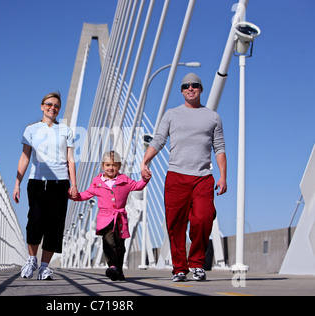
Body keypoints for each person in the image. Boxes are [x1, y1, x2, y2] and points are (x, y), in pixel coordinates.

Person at [141, 73, 227, 282]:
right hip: (176, 176)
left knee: (204, 218)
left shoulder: (213, 117)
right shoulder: (171, 114)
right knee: (175, 224)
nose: (191, 88)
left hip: (202, 177)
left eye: (195, 85)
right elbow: (159, 139)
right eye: (186, 86)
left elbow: (220, 148)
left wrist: (223, 176)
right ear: (181, 91)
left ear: (201, 89)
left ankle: (197, 264)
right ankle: (180, 268)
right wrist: (145, 162)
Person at [13, 92, 78, 280]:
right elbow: (25, 157)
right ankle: (32, 259)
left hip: (60, 183)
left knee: (55, 226)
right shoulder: (31, 130)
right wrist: (17, 182)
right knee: (35, 220)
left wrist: (74, 184)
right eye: (49, 104)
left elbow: (70, 160)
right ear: (42, 106)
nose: (53, 108)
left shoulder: (66, 131)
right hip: (37, 182)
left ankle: (44, 267)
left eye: (56, 105)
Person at [71, 151, 151, 281]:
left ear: (119, 166)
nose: (110, 168)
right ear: (103, 166)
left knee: (120, 246)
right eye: (108, 164)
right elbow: (87, 194)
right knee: (108, 242)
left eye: (114, 165)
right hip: (105, 218)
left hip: (120, 219)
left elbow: (137, 186)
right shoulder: (97, 182)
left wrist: (145, 179)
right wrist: (74, 196)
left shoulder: (124, 180)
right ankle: (112, 266)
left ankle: (118, 270)